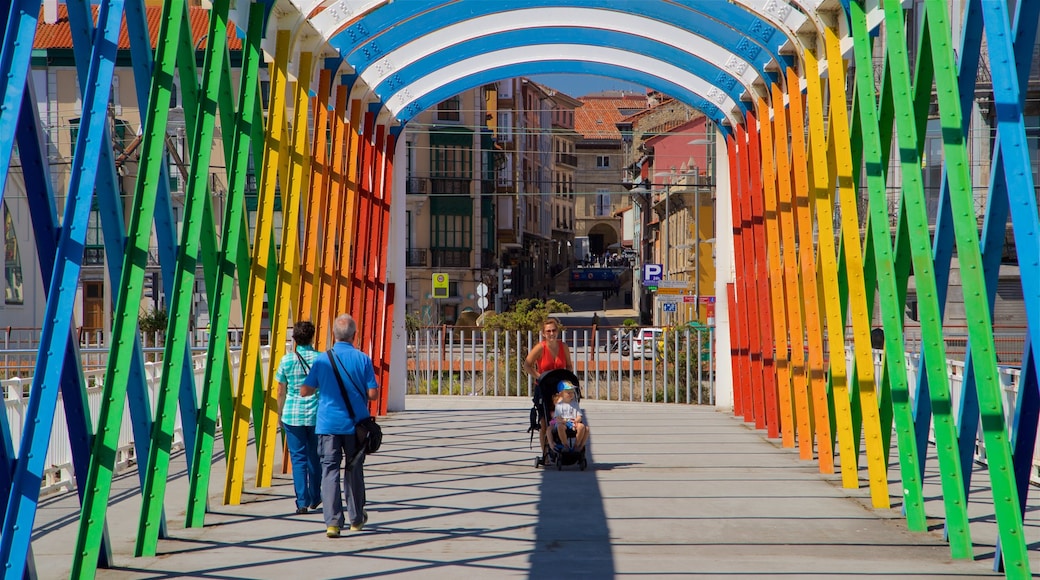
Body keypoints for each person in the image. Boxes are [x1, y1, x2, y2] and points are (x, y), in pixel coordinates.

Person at [300, 314, 380, 538]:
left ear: (333, 335)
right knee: (354, 470)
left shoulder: (322, 360)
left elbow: (306, 390)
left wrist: (306, 387)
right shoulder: (363, 359)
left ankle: (333, 523)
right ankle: (355, 519)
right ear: (354, 336)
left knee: (329, 471)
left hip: (328, 426)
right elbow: (373, 394)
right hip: (356, 428)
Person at [275, 321, 321, 514]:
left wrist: (280, 412)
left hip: (292, 415)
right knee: (316, 457)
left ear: (294, 339)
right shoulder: (321, 359)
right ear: (312, 337)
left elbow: (280, 390)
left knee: (298, 459)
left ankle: (301, 502)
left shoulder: (286, 360)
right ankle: (315, 496)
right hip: (316, 415)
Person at [524, 317, 573, 457]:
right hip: (543, 388)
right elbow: (527, 365)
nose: (551, 333)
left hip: (560, 389)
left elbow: (568, 366)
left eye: (554, 330)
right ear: (543, 333)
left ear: (558, 331)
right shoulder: (540, 347)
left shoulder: (563, 347)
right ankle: (545, 453)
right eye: (548, 331)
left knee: (562, 418)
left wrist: (569, 381)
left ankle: (563, 445)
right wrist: (539, 376)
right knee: (544, 421)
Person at [551, 381, 588, 451]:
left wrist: (577, 420)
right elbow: (558, 418)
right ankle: (565, 444)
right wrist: (563, 421)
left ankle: (576, 445)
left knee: (582, 426)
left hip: (573, 422)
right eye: (568, 392)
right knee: (560, 427)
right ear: (561, 394)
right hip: (563, 423)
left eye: (572, 392)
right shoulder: (559, 405)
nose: (571, 394)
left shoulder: (575, 404)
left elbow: (579, 415)